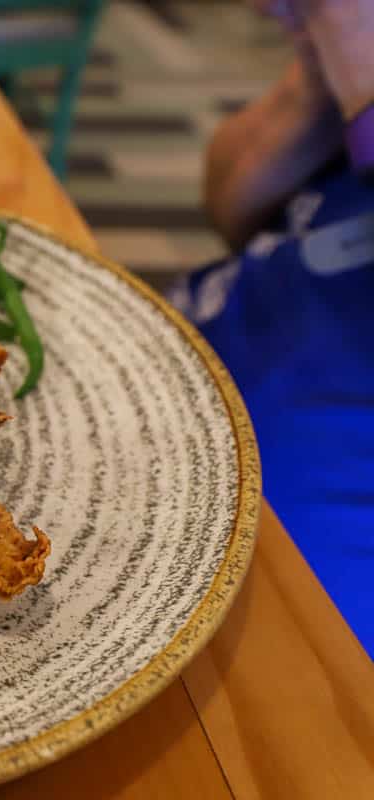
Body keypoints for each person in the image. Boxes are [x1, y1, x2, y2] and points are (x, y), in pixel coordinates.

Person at [169, 0, 374, 653]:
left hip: (297, 587)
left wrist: (363, 65)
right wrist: (317, 82)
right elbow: (229, 207)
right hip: (193, 374)